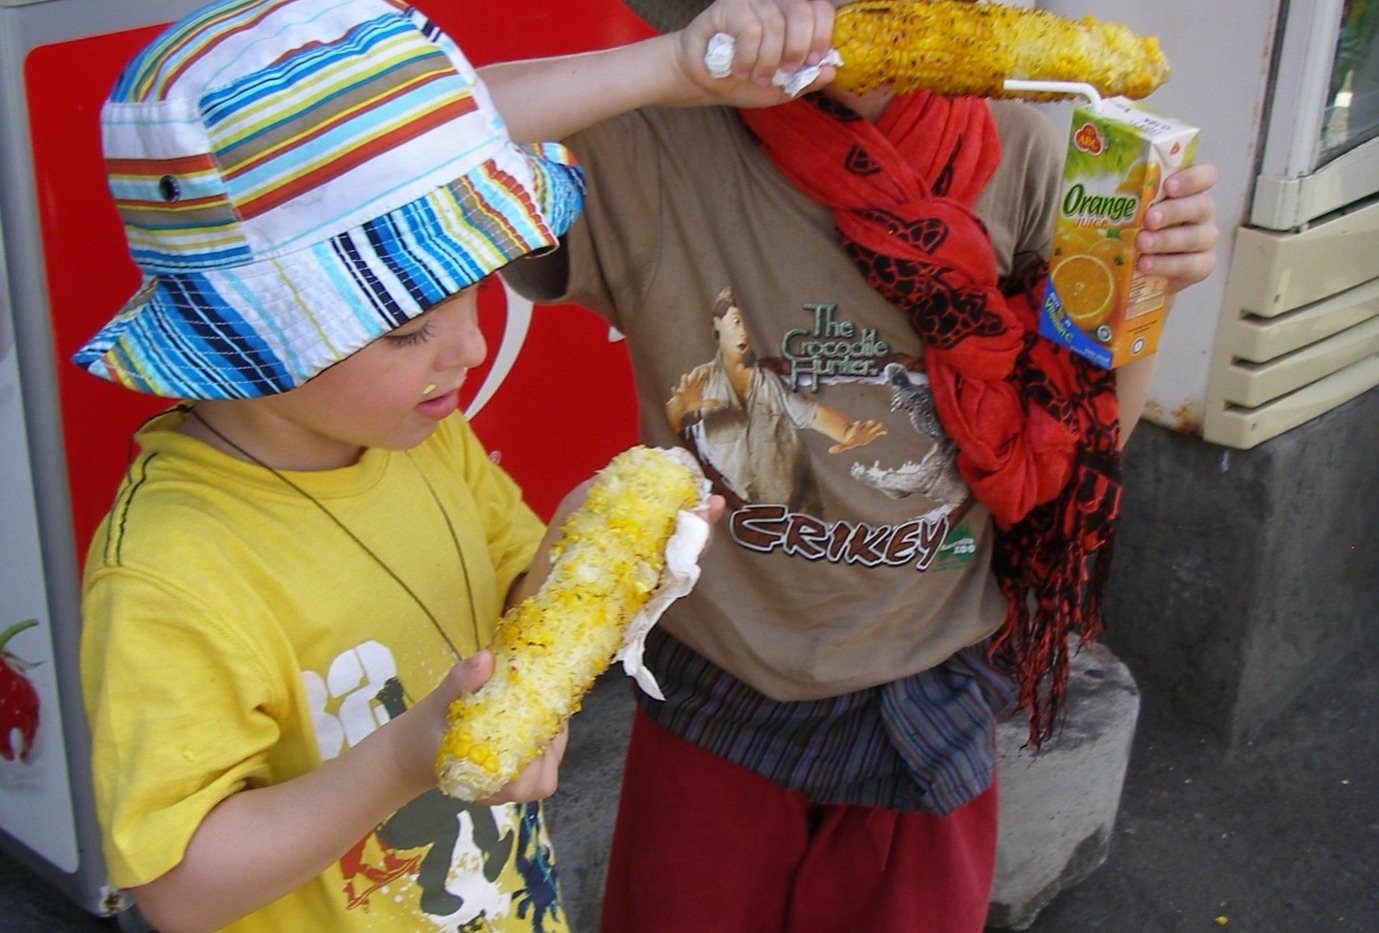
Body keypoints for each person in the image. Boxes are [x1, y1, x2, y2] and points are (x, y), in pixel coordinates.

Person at [72, 1, 828, 930]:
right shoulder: (168, 571)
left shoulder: (423, 435)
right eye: (405, 326)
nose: (470, 348)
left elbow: (517, 602)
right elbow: (180, 887)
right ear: (244, 342)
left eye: (476, 288)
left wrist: (592, 553)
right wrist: (402, 757)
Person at [502, 1, 1222, 930]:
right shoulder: (651, 147)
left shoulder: (1030, 156)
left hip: (931, 686)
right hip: (718, 685)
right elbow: (413, 137)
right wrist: (674, 66)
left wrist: (1149, 282)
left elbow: (1079, 444)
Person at [668, 287, 887, 512]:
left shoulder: (771, 380)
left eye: (749, 323)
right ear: (717, 324)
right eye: (736, 321)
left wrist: (847, 431)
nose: (744, 331)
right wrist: (680, 408)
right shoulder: (701, 382)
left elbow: (813, 413)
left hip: (790, 519)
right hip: (727, 517)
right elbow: (663, 427)